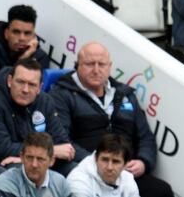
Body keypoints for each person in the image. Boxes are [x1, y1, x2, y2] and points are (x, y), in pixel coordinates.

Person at [49, 42, 173, 197]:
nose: (96, 70)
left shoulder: (125, 94)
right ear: (77, 65)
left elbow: (145, 137)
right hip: (85, 168)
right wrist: (99, 162)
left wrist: (143, 162)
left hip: (124, 170)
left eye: (101, 64)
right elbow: (63, 141)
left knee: (161, 190)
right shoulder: (61, 95)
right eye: (89, 64)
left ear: (109, 66)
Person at [0, 58, 76, 177]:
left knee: (74, 170)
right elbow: (2, 149)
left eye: (32, 85)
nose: (25, 90)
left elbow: (63, 144)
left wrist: (31, 157)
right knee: (18, 171)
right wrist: (50, 152)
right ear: (9, 81)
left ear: (40, 87)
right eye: (20, 82)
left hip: (36, 160)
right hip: (6, 166)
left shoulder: (45, 101)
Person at [0, 132, 72, 197]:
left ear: (51, 161)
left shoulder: (60, 183)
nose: (34, 164)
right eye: (29, 157)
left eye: (40, 159)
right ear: (21, 157)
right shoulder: (5, 184)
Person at [67, 134, 139, 197]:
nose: (109, 167)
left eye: (116, 161)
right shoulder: (79, 180)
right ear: (96, 158)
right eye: (105, 160)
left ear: (125, 165)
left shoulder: (128, 179)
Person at [0, 5, 50, 74]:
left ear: (34, 35)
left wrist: (25, 57)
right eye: (16, 32)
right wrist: (22, 60)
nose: (22, 38)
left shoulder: (40, 58)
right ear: (6, 33)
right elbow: (2, 83)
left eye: (27, 33)